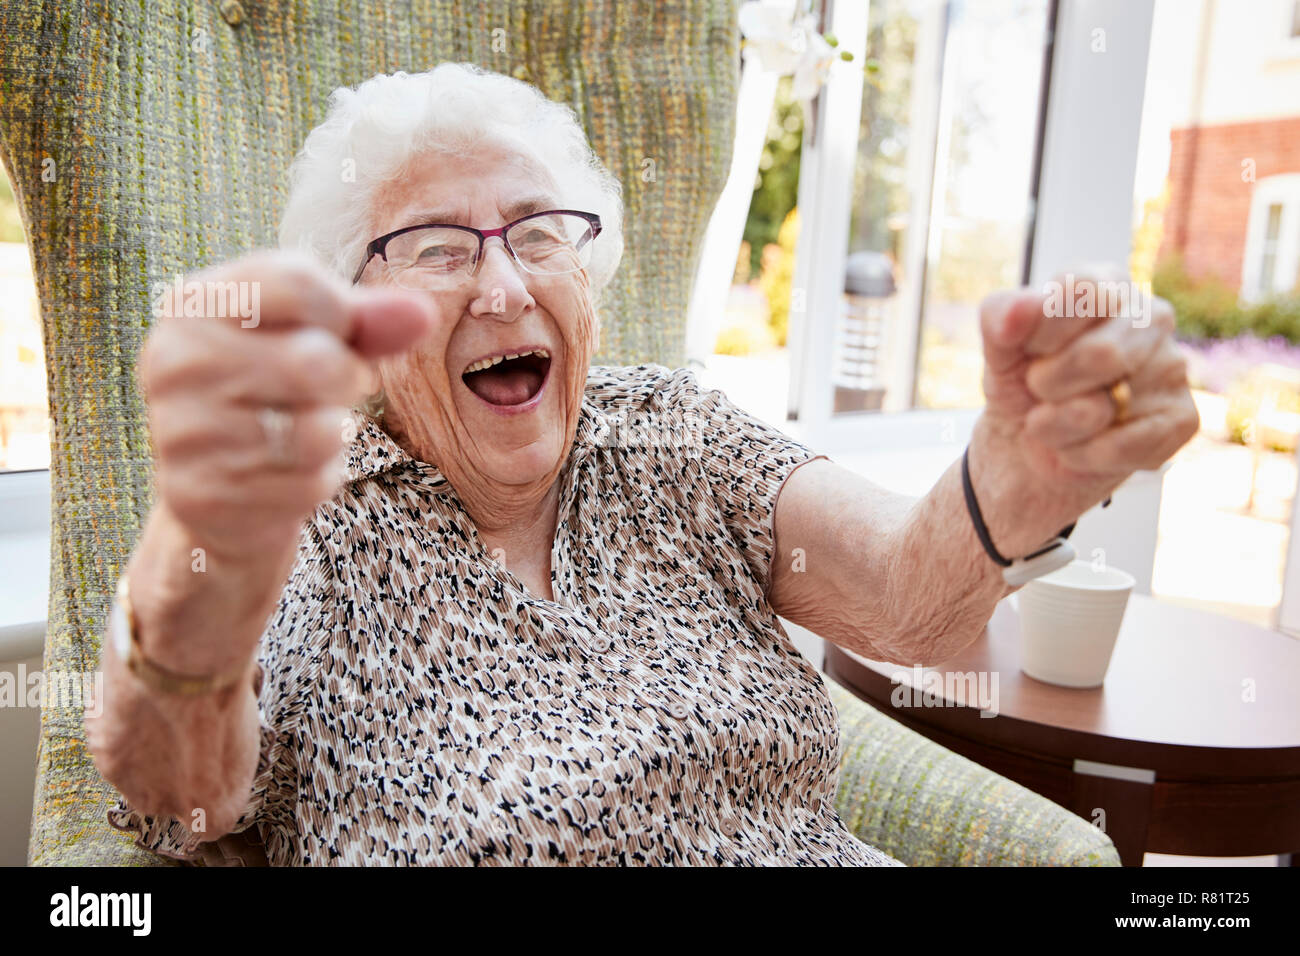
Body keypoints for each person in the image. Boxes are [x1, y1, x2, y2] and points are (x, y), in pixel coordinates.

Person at [84, 63, 1199, 866]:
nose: (505, 288)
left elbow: (918, 609)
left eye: (537, 232)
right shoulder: (299, 505)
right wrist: (203, 561)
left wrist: (1008, 480)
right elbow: (179, 808)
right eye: (434, 246)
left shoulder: (670, 430)